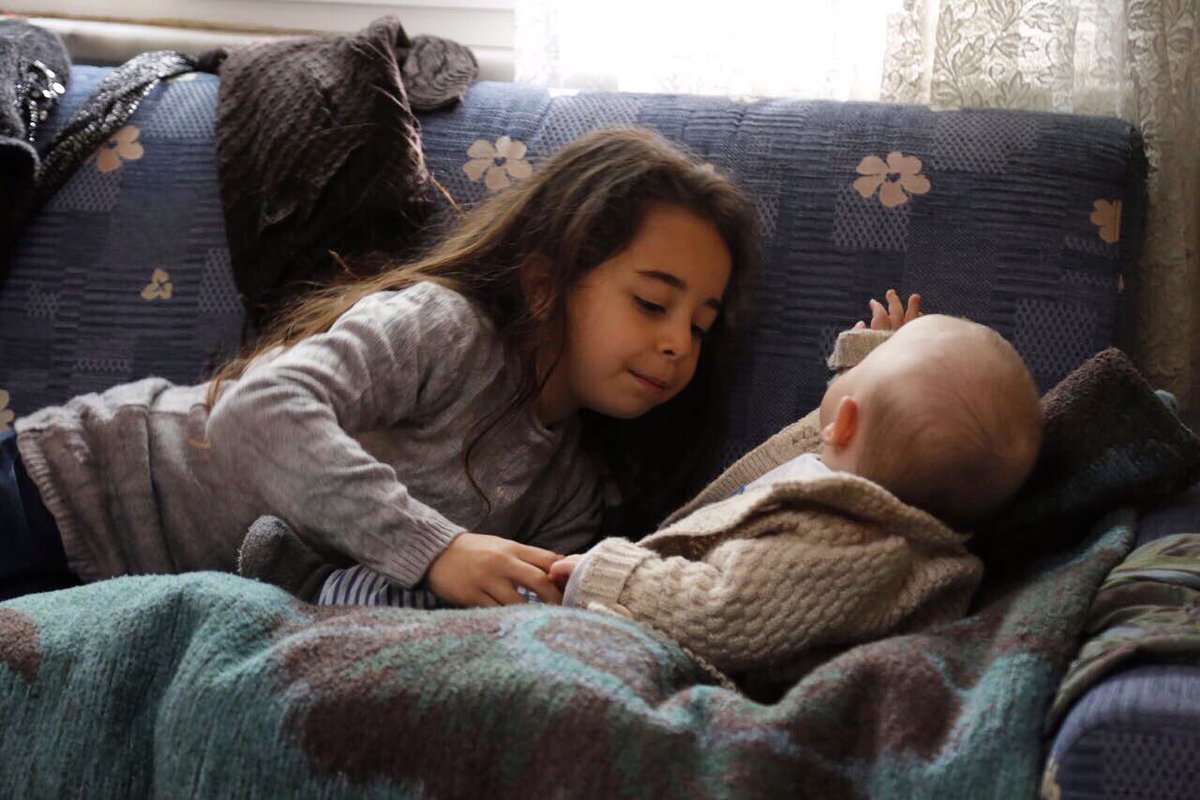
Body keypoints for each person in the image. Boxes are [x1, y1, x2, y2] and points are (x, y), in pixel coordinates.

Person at [0, 126, 758, 606]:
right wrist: (437, 549)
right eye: (652, 304)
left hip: (126, 598)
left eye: (701, 325)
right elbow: (256, 411)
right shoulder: (445, 328)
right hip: (62, 494)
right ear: (544, 282)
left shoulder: (569, 488)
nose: (678, 345)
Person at [547, 291, 1044, 681]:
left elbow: (722, 612)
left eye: (866, 371)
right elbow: (851, 431)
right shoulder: (882, 508)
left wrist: (612, 574)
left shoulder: (837, 543)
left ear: (845, 423)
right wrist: (878, 364)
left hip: (681, 657)